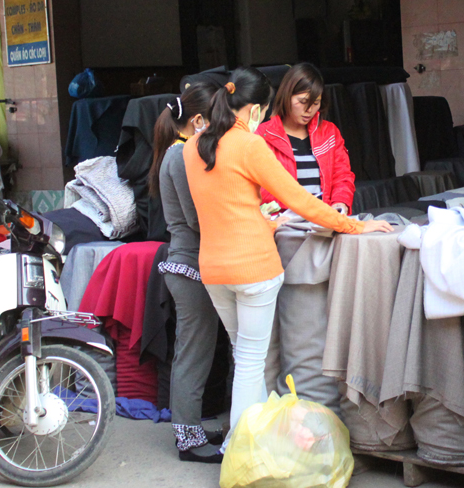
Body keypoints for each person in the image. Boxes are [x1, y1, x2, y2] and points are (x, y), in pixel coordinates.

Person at [183, 67, 393, 454]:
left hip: (213, 269)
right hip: (254, 269)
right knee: (251, 361)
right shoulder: (250, 144)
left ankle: (251, 442)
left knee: (245, 355)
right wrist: (353, 226)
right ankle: (242, 450)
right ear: (260, 110)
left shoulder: (192, 147)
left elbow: (222, 206)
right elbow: (300, 199)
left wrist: (264, 218)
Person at [148, 82, 224, 463]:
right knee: (194, 354)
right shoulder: (181, 157)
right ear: (197, 121)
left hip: (189, 263)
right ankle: (189, 440)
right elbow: (196, 218)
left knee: (195, 351)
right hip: (190, 263)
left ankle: (190, 427)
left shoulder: (177, 154)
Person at [256, 63, 355, 214]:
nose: (309, 110)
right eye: (303, 102)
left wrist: (340, 203)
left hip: (324, 221)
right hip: (283, 226)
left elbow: (342, 175)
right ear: (286, 95)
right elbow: (259, 187)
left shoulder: (329, 133)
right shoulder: (262, 135)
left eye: (315, 103)